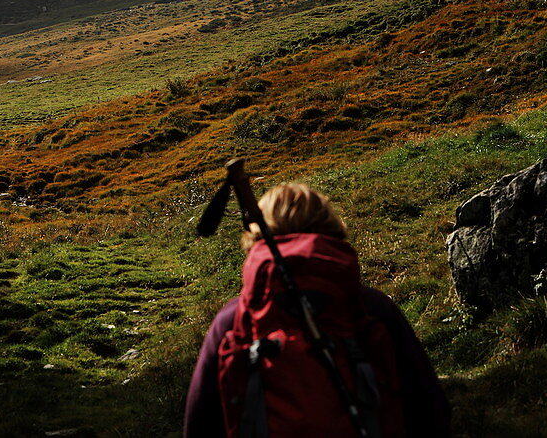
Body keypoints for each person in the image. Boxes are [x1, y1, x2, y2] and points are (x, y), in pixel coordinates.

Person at [184, 182, 451, 437]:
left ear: (256, 234)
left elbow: (200, 423)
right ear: (331, 227)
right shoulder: (372, 309)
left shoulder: (233, 320)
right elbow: (429, 409)